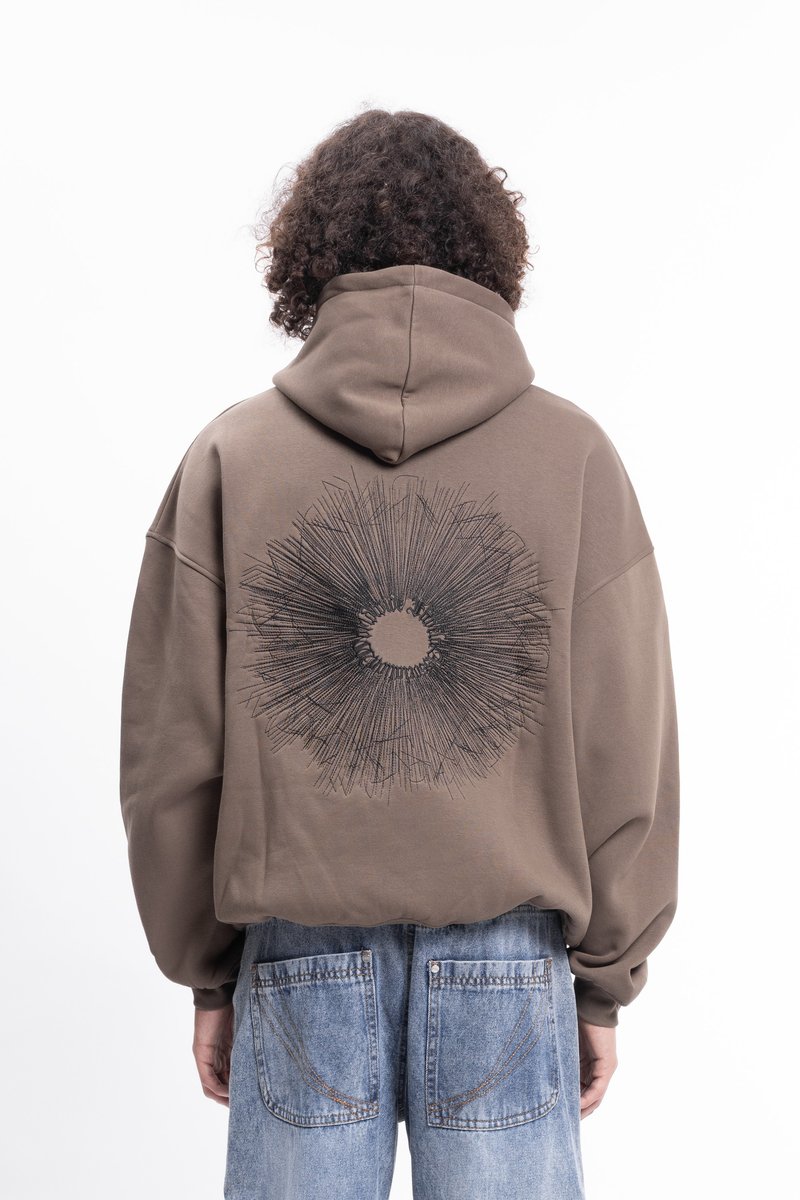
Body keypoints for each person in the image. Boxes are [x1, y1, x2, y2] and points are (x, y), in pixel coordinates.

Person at [119, 108, 679, 1200]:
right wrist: (602, 981)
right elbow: (626, 743)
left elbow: (170, 752)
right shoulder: (574, 457)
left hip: (298, 954)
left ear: (309, 254)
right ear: (490, 250)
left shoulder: (234, 454)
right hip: (509, 958)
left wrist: (208, 972)